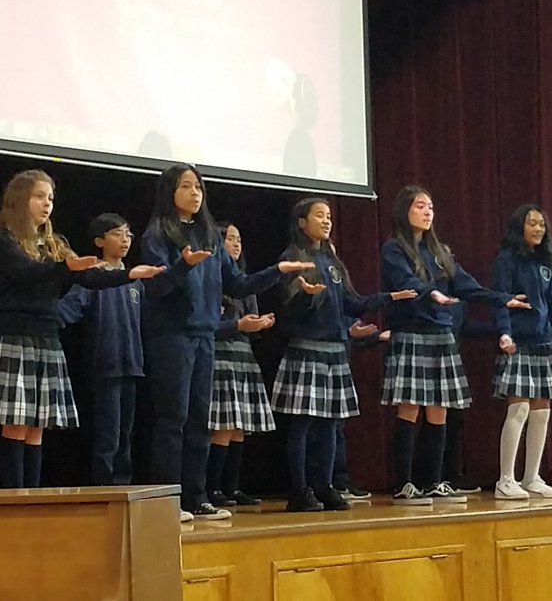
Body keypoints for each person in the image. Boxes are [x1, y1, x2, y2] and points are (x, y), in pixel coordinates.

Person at [140, 163, 312, 522]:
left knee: (200, 419)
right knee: (173, 418)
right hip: (172, 335)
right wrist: (184, 265)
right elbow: (156, 287)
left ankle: (197, 496)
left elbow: (237, 284)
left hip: (205, 334)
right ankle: (168, 501)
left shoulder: (209, 235)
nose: (195, 193)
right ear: (169, 192)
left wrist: (276, 272)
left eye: (198, 187)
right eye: (186, 186)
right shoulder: (158, 234)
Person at [0, 170, 165, 488]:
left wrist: (129, 275)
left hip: (47, 338)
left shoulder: (52, 243)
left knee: (36, 427)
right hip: (15, 336)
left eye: (50, 198)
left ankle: (32, 497)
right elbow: (28, 273)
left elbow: (88, 276)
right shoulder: (4, 239)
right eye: (39, 196)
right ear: (20, 199)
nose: (47, 204)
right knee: (16, 424)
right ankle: (14, 498)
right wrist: (65, 267)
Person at [381, 185, 529, 505]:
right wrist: (431, 293)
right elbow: (405, 281)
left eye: (430, 206)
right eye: (420, 206)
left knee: (440, 409)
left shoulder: (439, 252)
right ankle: (404, 484)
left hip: (442, 334)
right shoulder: (394, 248)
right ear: (404, 210)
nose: (427, 211)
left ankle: (434, 481)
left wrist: (502, 299)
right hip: (412, 331)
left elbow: (467, 285)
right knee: (410, 407)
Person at [273, 197, 415, 512]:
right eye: (319, 216)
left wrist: (389, 297)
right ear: (302, 222)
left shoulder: (332, 261)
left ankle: (325, 486)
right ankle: (299, 489)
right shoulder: (293, 258)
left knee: (330, 423)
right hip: (307, 348)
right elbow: (289, 308)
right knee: (302, 424)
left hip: (335, 351)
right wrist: (307, 297)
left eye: (328, 216)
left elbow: (351, 303)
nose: (327, 221)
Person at [491, 204, 552, 500]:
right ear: (519, 227)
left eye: (542, 224)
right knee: (518, 408)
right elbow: (500, 300)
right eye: (532, 223)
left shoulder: (547, 267)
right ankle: (506, 479)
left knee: (542, 412)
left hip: (544, 343)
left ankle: (532, 477)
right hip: (518, 342)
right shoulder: (506, 260)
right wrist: (504, 332)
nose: (538, 229)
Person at [58, 213, 145, 486]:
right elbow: (67, 311)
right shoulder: (90, 279)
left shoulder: (136, 281)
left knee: (126, 433)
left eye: (128, 234)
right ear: (99, 241)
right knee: (108, 434)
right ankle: (104, 487)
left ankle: (123, 486)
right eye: (117, 234)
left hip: (132, 364)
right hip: (104, 365)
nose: (125, 240)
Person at [205, 223, 277, 508]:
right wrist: (237, 325)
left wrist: (260, 323)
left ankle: (232, 487)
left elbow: (250, 321)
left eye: (239, 239)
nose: (236, 244)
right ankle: (212, 488)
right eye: (230, 239)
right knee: (222, 426)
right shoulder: (211, 279)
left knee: (240, 428)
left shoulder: (246, 284)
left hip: (244, 356)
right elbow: (206, 325)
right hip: (221, 355)